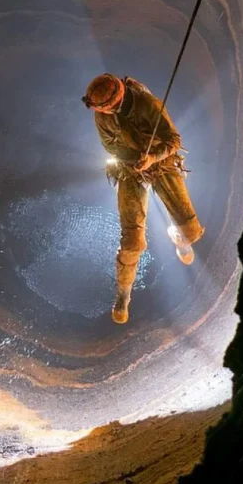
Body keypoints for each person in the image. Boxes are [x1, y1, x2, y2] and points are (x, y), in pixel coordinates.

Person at [83, 73, 204, 324]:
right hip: (129, 171)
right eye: (99, 110)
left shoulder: (149, 105)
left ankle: (180, 239)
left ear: (115, 102)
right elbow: (109, 146)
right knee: (132, 244)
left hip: (161, 164)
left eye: (104, 109)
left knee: (192, 231)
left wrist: (152, 157)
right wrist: (133, 159)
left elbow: (174, 140)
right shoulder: (101, 117)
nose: (101, 113)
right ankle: (123, 295)